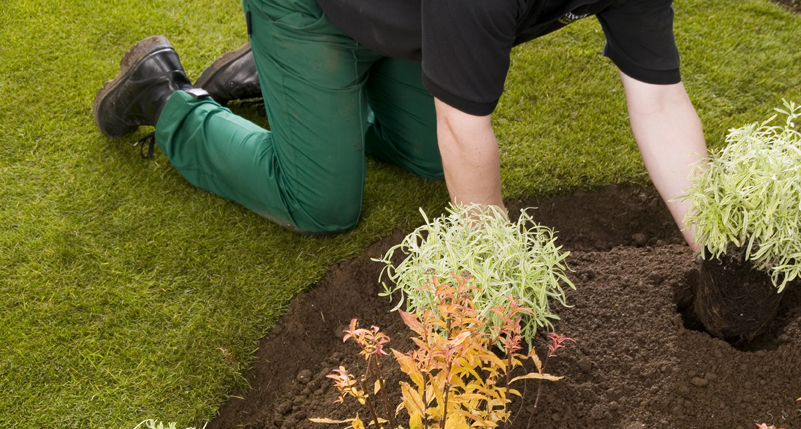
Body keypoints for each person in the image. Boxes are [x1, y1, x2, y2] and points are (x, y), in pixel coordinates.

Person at [93, 0, 706, 251]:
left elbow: (659, 102)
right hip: (309, 6)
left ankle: (302, 82)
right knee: (320, 203)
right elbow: (464, 129)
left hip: (412, 18)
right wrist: (499, 276)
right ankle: (166, 96)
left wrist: (715, 247)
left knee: (432, 161)